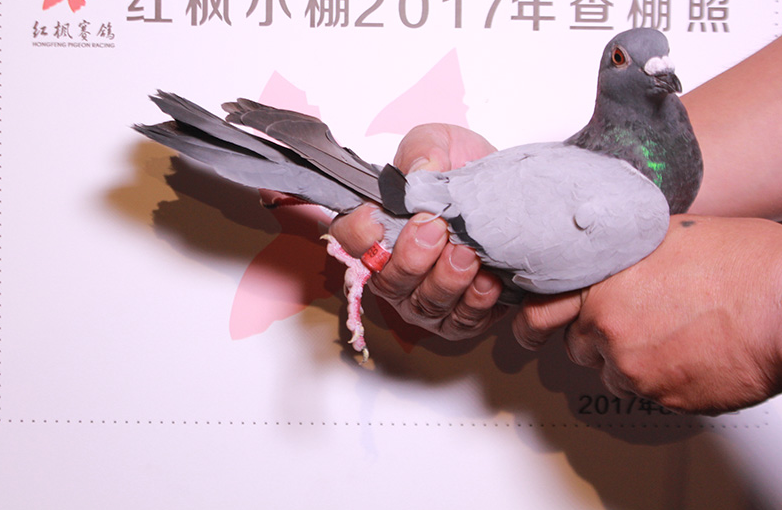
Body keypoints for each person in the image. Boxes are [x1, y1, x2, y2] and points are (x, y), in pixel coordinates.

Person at [329, 36, 782, 415]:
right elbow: (629, 188)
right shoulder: (589, 165)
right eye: (622, 59)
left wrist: (766, 300)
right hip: (462, 206)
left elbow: (640, 190)